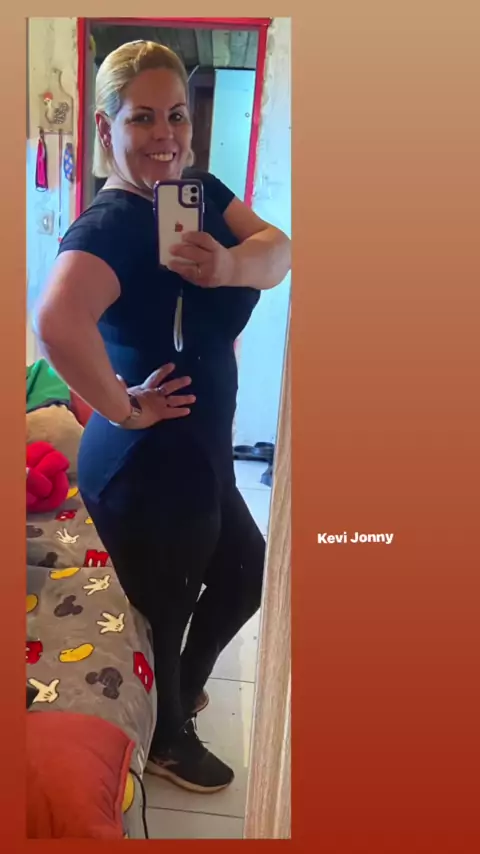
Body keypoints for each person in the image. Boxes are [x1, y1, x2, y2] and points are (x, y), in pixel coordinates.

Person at [34, 40, 291, 794]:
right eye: (142, 117)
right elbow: (56, 324)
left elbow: (280, 251)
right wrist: (123, 407)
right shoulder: (111, 225)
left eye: (176, 115)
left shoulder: (199, 192)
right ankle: (169, 736)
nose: (165, 135)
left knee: (244, 574)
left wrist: (228, 265)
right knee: (171, 601)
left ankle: (177, 694)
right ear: (106, 127)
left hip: (200, 453)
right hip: (147, 464)